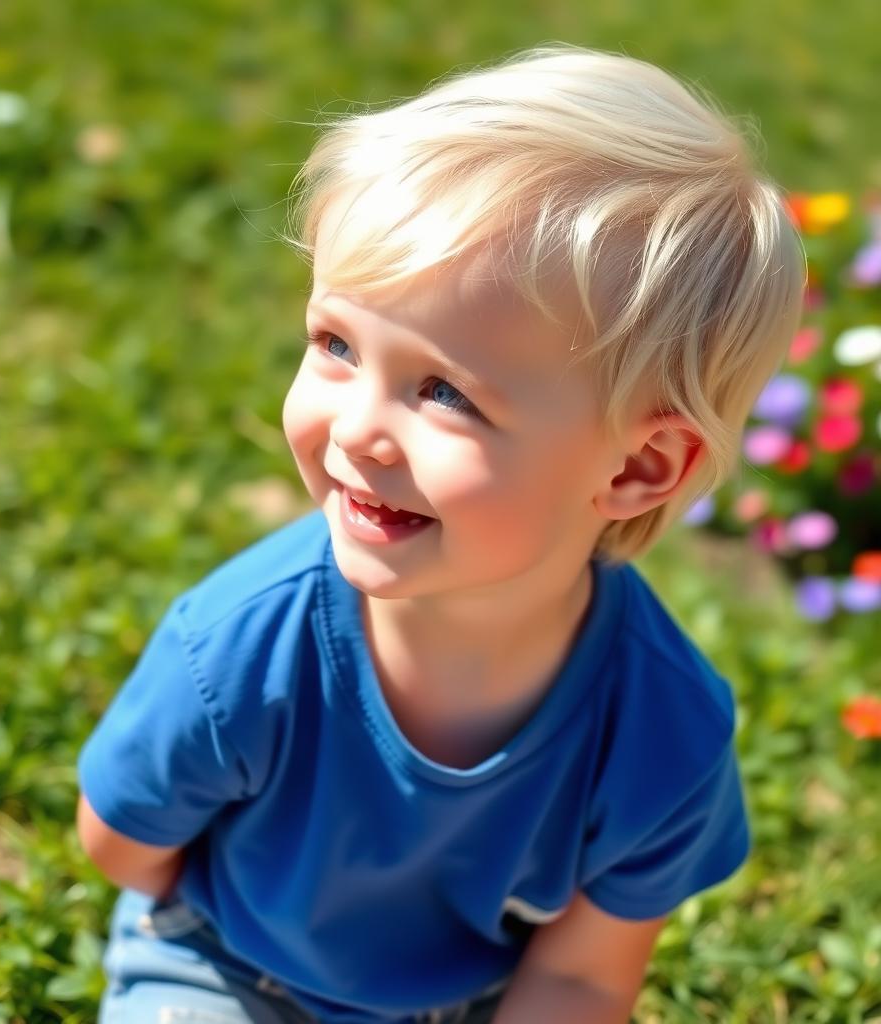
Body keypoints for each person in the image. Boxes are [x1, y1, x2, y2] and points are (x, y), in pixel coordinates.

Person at [76, 43, 805, 1024]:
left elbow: (581, 978)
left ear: (634, 469)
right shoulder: (244, 643)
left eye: (444, 391)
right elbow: (123, 843)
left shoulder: (662, 729)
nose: (358, 426)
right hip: (224, 968)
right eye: (336, 344)